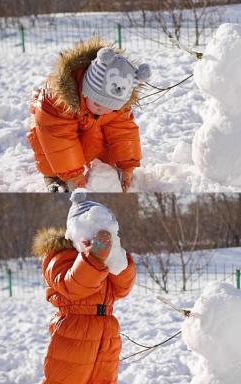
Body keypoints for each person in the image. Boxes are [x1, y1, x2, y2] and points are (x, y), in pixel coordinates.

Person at [33, 192, 136, 383]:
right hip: (75, 329)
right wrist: (94, 257)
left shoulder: (105, 258)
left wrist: (120, 262)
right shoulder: (60, 256)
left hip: (107, 330)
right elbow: (73, 286)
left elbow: (121, 290)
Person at [28, 37, 150, 192]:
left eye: (110, 108)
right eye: (98, 103)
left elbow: (124, 132)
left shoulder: (118, 101)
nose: (103, 110)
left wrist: (127, 166)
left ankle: (92, 162)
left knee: (103, 135)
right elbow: (59, 138)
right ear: (86, 91)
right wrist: (74, 176)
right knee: (47, 144)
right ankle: (52, 177)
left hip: (87, 127)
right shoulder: (56, 101)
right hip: (50, 131)